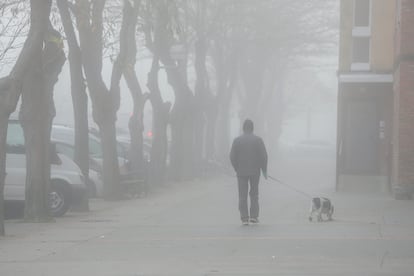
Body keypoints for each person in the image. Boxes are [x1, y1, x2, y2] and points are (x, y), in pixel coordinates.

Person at [230, 119, 268, 225]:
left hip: (241, 172)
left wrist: (236, 168)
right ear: (252, 128)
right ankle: (254, 217)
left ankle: (244, 218)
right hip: (255, 172)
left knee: (242, 195)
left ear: (243, 128)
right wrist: (264, 170)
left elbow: (232, 156)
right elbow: (264, 156)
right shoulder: (258, 140)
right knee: (254, 194)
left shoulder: (237, 140)